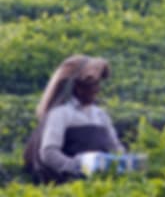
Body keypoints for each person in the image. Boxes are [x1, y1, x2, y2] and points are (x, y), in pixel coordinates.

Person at [23, 55, 125, 184]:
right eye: (93, 85)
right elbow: (49, 152)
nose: (97, 90)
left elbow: (115, 147)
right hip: (69, 183)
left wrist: (121, 162)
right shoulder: (60, 114)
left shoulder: (101, 115)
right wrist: (75, 167)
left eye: (98, 84)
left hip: (100, 182)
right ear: (78, 87)